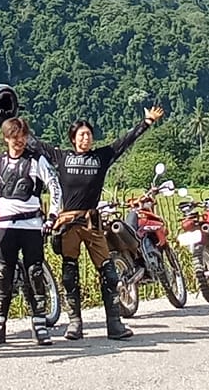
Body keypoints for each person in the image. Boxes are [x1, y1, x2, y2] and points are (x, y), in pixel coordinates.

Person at [49, 105, 167, 340]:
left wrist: (146, 123)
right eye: (81, 134)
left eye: (89, 134)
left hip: (92, 222)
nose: (86, 137)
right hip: (69, 223)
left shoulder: (101, 157)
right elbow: (33, 145)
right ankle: (74, 324)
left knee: (109, 271)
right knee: (69, 273)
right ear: (73, 139)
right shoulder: (61, 157)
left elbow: (123, 143)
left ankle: (114, 323)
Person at [0, 115, 61, 345]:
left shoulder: (37, 160)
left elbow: (54, 187)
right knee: (2, 273)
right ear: (6, 138)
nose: (19, 141)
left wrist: (53, 215)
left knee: (34, 272)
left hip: (31, 224)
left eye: (23, 137)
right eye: (14, 137)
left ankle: (40, 323)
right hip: (6, 225)